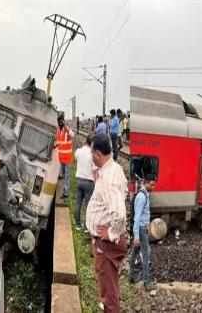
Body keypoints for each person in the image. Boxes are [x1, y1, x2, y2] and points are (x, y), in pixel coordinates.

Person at [86, 133, 127, 313]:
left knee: (108, 296)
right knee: (109, 287)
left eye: (91, 153)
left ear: (97, 153)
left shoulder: (109, 178)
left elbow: (119, 214)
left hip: (108, 245)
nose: (90, 157)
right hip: (104, 242)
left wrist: (110, 234)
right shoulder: (112, 169)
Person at [129, 174, 156, 291]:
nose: (153, 187)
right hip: (140, 228)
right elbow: (137, 217)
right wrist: (136, 236)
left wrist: (147, 225)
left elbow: (144, 214)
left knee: (135, 251)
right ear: (145, 183)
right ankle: (146, 280)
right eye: (151, 184)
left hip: (142, 227)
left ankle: (131, 276)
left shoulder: (145, 195)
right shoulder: (142, 197)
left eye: (154, 185)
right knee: (146, 253)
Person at [74, 135, 97, 231]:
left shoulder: (78, 151)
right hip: (89, 182)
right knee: (88, 205)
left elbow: (76, 158)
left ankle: (78, 224)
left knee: (78, 202)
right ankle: (87, 226)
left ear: (85, 141)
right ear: (92, 144)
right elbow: (95, 170)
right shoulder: (92, 154)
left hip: (79, 180)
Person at [55, 115, 74, 199]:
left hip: (67, 157)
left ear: (64, 121)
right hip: (61, 158)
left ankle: (65, 193)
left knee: (67, 175)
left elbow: (73, 135)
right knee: (63, 174)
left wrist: (66, 127)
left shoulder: (67, 130)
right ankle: (64, 185)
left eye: (61, 122)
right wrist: (55, 146)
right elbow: (59, 141)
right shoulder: (58, 130)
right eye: (59, 122)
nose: (60, 123)